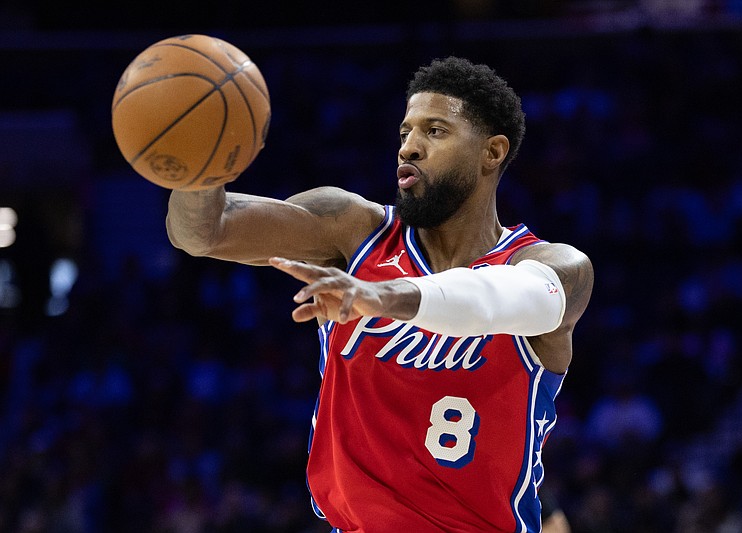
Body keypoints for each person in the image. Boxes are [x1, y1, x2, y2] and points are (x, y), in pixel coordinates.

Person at [165, 56, 593, 532]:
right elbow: (203, 233)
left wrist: (382, 297)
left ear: (492, 152)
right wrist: (196, 168)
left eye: (435, 131)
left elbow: (503, 297)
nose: (409, 147)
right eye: (404, 133)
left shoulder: (555, 268)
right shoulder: (350, 230)